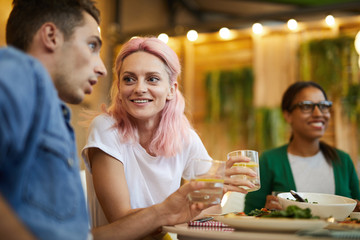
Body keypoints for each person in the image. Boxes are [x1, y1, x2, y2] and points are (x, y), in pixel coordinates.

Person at [0, 1, 213, 240]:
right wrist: (166, 212)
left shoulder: (56, 116)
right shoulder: (12, 76)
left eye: (152, 79)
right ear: (51, 36)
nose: (101, 69)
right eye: (92, 45)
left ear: (172, 89)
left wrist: (168, 212)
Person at [82, 36, 257, 228]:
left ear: (171, 90)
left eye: (152, 79)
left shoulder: (184, 136)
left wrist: (217, 189)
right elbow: (119, 218)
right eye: (129, 79)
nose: (139, 88)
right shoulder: (105, 128)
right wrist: (178, 209)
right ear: (119, 87)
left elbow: (211, 208)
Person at [244, 81, 360, 213]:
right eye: (306, 106)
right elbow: (248, 215)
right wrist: (265, 212)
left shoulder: (343, 160)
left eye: (323, 106)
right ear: (287, 115)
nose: (318, 113)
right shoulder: (269, 161)